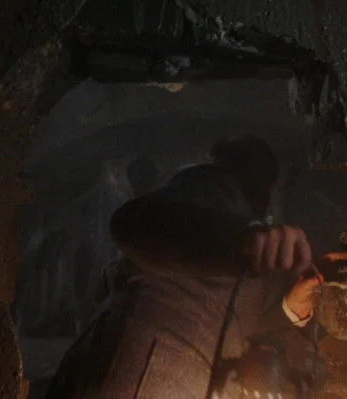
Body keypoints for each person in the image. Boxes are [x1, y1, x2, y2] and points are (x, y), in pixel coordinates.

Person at [46, 135, 323, 398]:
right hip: (140, 374)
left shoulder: (243, 233)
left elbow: (234, 325)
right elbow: (133, 223)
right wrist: (240, 238)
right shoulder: (209, 186)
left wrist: (291, 307)